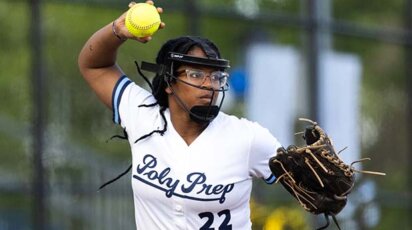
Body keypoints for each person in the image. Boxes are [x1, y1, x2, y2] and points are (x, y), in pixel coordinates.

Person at [78, 1, 281, 229]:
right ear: (168, 82)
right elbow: (94, 65)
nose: (209, 85)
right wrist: (117, 30)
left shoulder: (248, 138)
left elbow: (315, 185)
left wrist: (326, 189)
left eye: (216, 77)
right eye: (196, 74)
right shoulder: (143, 114)